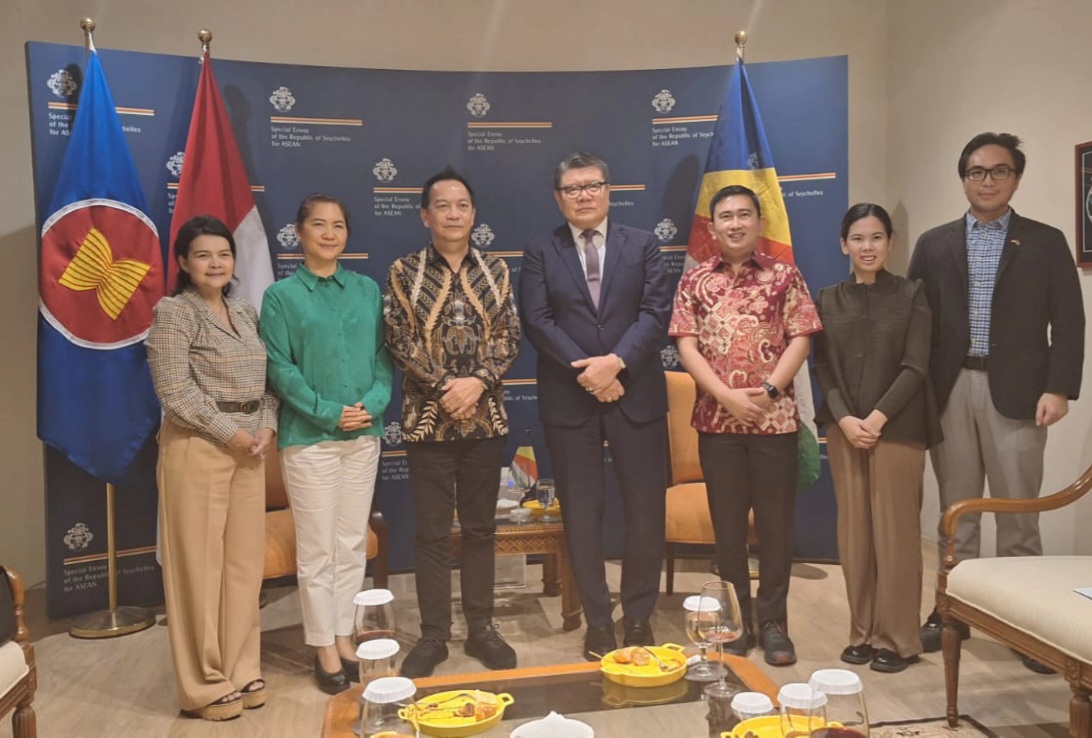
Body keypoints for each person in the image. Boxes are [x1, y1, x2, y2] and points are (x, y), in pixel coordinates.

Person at [908, 133, 1084, 670]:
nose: (987, 181)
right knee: (957, 511)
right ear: (963, 179)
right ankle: (951, 609)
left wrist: (1059, 387)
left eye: (999, 171)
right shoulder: (934, 244)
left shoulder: (1045, 241)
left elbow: (1069, 319)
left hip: (1023, 394)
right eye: (977, 172)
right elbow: (915, 322)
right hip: (951, 387)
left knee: (1017, 513)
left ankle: (1022, 623)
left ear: (1016, 178)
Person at [519, 152, 672, 661]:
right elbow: (537, 320)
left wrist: (616, 364)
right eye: (572, 188)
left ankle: (640, 617)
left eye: (592, 185)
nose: (583, 195)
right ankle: (599, 622)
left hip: (636, 393)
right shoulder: (540, 251)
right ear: (557, 197)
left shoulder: (643, 244)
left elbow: (655, 313)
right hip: (571, 397)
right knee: (583, 515)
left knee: (645, 512)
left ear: (609, 190)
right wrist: (590, 373)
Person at [669, 184, 822, 666]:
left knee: (775, 528)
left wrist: (770, 391)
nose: (734, 223)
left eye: (743, 215)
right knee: (729, 528)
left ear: (758, 222)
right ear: (712, 227)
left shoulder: (785, 276)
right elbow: (686, 346)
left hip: (774, 423)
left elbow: (801, 339)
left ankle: (774, 625)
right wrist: (725, 395)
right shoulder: (695, 281)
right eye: (725, 216)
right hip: (718, 423)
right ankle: (734, 620)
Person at [384, 168, 521, 678]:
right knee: (433, 533)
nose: (453, 214)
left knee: (482, 529)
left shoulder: (496, 270)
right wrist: (448, 387)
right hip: (428, 422)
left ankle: (482, 628)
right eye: (442, 206)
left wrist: (477, 383)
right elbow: (398, 338)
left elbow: (510, 335)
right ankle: (434, 635)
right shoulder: (404, 271)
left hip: (486, 420)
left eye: (462, 205)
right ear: (426, 216)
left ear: (474, 214)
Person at [260, 194, 393, 694]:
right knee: (317, 548)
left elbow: (383, 359)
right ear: (299, 232)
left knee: (351, 543)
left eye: (338, 225)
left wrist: (372, 404)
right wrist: (329, 412)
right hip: (310, 438)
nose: (330, 233)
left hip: (363, 433)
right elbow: (280, 368)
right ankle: (322, 646)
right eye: (319, 224)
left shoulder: (366, 290)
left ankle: (344, 635)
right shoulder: (281, 296)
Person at [147, 215, 278, 720]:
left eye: (223, 254)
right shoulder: (174, 313)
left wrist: (265, 427)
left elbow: (268, 382)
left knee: (243, 567)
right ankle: (203, 683)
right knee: (199, 570)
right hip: (197, 447)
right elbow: (175, 391)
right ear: (184, 262)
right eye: (203, 255)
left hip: (250, 450)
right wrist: (231, 433)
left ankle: (242, 668)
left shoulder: (244, 312)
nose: (215, 263)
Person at [813, 203, 942, 674]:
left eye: (876, 238)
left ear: (890, 243)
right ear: (843, 244)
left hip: (899, 429)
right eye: (858, 238)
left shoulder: (912, 294)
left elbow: (915, 365)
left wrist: (877, 417)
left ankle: (899, 639)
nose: (867, 247)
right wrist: (847, 419)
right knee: (855, 535)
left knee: (896, 536)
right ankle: (862, 633)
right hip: (844, 430)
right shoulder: (828, 298)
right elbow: (822, 366)